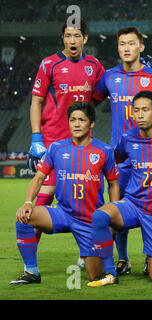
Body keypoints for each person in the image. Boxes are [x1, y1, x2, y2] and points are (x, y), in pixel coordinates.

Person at [10, 102, 120, 285]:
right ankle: (32, 271)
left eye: (81, 120)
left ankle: (106, 265)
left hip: (90, 220)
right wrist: (28, 202)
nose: (76, 124)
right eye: (72, 120)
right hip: (62, 213)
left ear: (91, 124)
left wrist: (113, 215)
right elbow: (38, 179)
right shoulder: (56, 148)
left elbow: (114, 184)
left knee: (98, 277)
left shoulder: (104, 151)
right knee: (24, 217)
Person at [92, 26, 152, 276]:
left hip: (151, 156)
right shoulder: (109, 77)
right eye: (122, 44)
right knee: (118, 209)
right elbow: (90, 103)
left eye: (131, 43)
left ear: (141, 47)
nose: (126, 48)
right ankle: (123, 259)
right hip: (120, 157)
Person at [88, 90, 152, 287]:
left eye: (145, 110)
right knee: (101, 216)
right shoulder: (128, 138)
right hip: (132, 204)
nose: (140, 115)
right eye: (136, 110)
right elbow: (115, 159)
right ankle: (109, 273)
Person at [27, 18, 105, 268]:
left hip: (82, 143)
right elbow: (36, 102)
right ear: (63, 38)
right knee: (43, 198)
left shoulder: (94, 65)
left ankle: (86, 253)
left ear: (86, 38)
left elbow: (100, 95)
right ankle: (30, 263)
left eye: (77, 35)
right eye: (68, 36)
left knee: (85, 199)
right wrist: (36, 137)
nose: (73, 40)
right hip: (53, 141)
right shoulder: (49, 64)